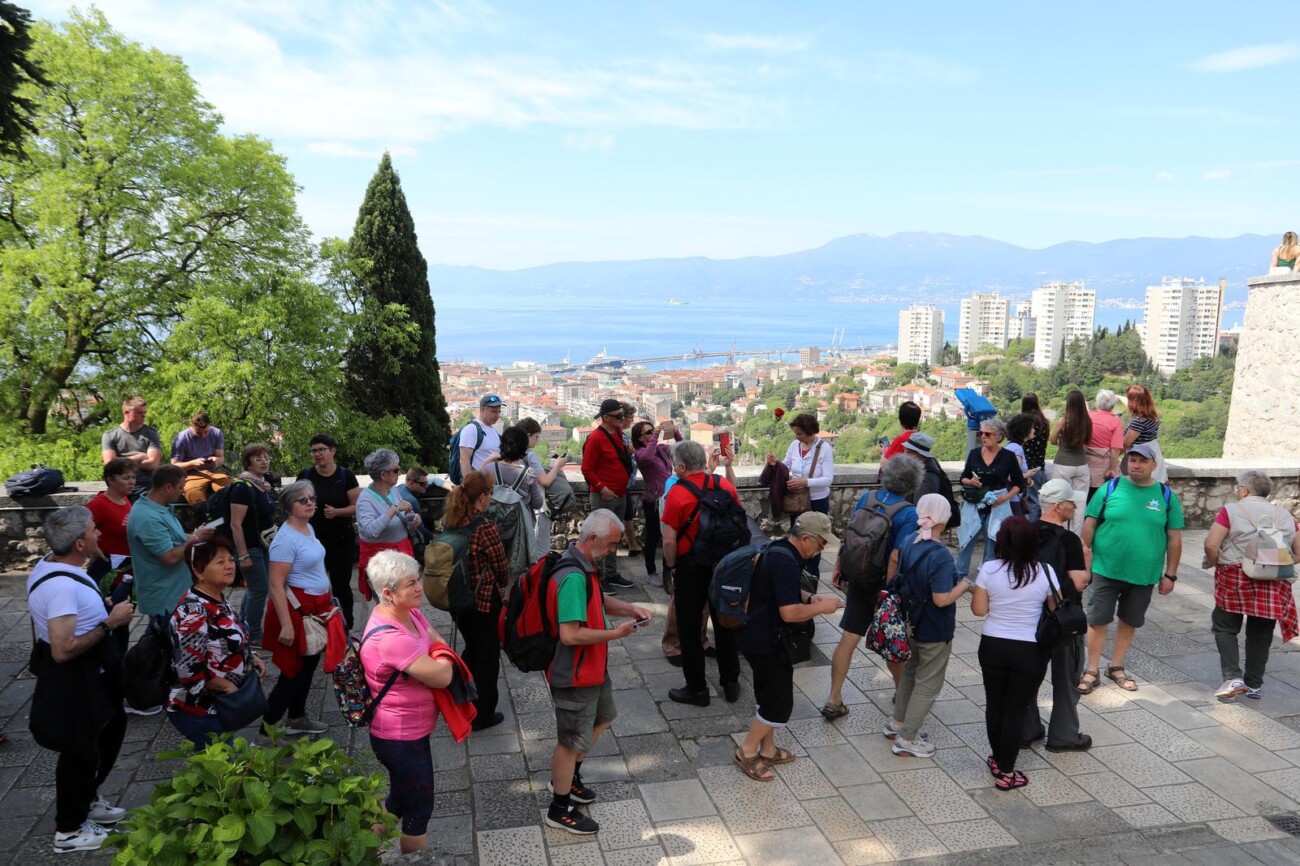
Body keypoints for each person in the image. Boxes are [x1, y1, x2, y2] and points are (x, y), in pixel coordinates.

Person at [28, 507, 135, 853]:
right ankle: (69, 831)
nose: (99, 533)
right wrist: (110, 622)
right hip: (78, 679)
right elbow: (63, 648)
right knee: (81, 752)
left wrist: (98, 605)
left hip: (95, 677)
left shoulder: (54, 564)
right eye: (93, 530)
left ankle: (88, 800)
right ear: (78, 543)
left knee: (110, 730)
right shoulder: (61, 586)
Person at [544, 510, 651, 836]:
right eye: (611, 544)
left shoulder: (581, 563)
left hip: (592, 669)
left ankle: (569, 778)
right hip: (575, 674)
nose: (613, 550)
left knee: (603, 718)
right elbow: (570, 635)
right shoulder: (574, 576)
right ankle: (559, 808)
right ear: (592, 539)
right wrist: (615, 635)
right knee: (569, 741)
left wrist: (629, 608)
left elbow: (596, 599)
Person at [733, 513, 843, 781]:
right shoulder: (785, 561)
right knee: (778, 704)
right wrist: (820, 608)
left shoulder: (780, 548)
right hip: (768, 640)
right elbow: (789, 613)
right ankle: (747, 751)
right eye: (820, 545)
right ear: (806, 538)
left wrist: (811, 596)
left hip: (756, 635)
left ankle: (768, 749)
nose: (820, 551)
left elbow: (783, 591)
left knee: (766, 695)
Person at [362, 550, 456, 854]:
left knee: (399, 799)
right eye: (410, 584)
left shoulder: (408, 612)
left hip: (410, 732)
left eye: (417, 580)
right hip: (399, 737)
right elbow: (442, 675)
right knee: (419, 809)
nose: (419, 588)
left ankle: (359, 847)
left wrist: (440, 655)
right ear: (388, 593)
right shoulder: (391, 638)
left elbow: (437, 641)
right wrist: (444, 659)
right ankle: (414, 859)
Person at [1079, 443, 1184, 694]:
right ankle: (1091, 669)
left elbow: (1174, 538)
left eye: (1142, 461)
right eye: (1132, 460)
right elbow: (1090, 524)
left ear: (1153, 465)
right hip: (1106, 568)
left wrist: (1170, 574)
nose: (1136, 465)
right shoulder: (1111, 487)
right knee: (1097, 620)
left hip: (1143, 572)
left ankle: (1116, 666)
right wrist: (1085, 561)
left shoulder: (1166, 496)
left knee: (1130, 621)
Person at [821, 454, 920, 721]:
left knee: (849, 637)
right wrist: (889, 591)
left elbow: (850, 535)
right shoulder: (908, 513)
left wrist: (840, 565)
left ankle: (834, 698)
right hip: (882, 584)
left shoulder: (868, 498)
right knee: (893, 640)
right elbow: (896, 556)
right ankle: (901, 695)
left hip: (859, 577)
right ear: (912, 483)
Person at [970, 516, 1057, 790]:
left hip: (993, 644)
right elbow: (1055, 610)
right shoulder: (1045, 571)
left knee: (995, 704)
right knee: (1016, 710)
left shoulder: (989, 569)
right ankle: (1007, 772)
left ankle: (997, 759)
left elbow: (979, 610)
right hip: (1029, 649)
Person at [883, 495, 970, 758]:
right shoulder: (941, 554)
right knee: (928, 683)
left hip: (910, 621)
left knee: (910, 672)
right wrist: (965, 585)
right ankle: (907, 738)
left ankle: (897, 722)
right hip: (934, 626)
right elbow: (942, 599)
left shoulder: (909, 541)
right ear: (944, 518)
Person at [1204, 471, 1300, 701]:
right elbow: (1298, 552)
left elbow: (1211, 544)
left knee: (1225, 626)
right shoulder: (1286, 515)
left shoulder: (1231, 510)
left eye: (1238, 487)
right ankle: (1254, 684)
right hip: (1273, 580)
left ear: (1245, 490)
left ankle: (1233, 677)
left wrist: (1218, 562)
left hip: (1236, 575)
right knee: (1261, 632)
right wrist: (1276, 562)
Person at [662, 440, 743, 707]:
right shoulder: (723, 485)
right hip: (725, 565)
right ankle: (730, 681)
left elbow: (670, 540)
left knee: (689, 626)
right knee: (725, 622)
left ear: (682, 467)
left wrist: (672, 566)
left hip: (692, 566)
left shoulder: (677, 493)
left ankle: (697, 688)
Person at [165, 536, 266, 747]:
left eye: (230, 559)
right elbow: (187, 670)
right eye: (220, 562)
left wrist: (250, 657)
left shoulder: (218, 597)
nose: (230, 566)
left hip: (221, 704)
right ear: (198, 571)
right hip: (201, 708)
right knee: (220, 769)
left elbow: (225, 636)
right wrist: (227, 687)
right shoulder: (192, 611)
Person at [263, 480, 341, 736]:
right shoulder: (284, 540)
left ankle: (296, 717)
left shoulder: (307, 528)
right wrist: (286, 624)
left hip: (315, 608)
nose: (310, 503)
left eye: (312, 498)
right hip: (297, 612)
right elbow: (275, 585)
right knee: (292, 672)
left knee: (307, 668)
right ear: (289, 506)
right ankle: (266, 733)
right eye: (303, 500)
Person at [1023, 479, 1093, 752]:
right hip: (1063, 619)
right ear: (1058, 506)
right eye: (1070, 502)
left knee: (1030, 675)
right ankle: (1063, 736)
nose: (1075, 506)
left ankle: (1027, 730)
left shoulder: (1025, 532)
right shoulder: (1069, 539)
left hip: (1029, 615)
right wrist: (1087, 561)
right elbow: (1078, 582)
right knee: (1066, 677)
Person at [437, 471, 510, 730]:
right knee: (487, 658)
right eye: (490, 493)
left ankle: (458, 694)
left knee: (472, 649)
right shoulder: (485, 527)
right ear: (482, 496)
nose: (491, 498)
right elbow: (502, 569)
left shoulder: (452, 521)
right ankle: (483, 715)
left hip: (458, 602)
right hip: (483, 604)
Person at [126, 465, 215, 620]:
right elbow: (169, 557)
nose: (183, 491)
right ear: (168, 487)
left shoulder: (159, 508)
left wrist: (195, 534)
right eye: (181, 487)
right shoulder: (148, 517)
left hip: (175, 595)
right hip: (165, 600)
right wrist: (195, 538)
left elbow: (173, 537)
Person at [297, 433, 361, 633]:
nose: (317, 454)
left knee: (341, 585)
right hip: (312, 539)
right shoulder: (306, 475)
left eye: (322, 450)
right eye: (314, 450)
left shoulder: (345, 475)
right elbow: (294, 504)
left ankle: (345, 626)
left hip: (341, 538)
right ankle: (317, 625)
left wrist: (337, 512)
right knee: (314, 585)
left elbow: (358, 506)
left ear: (333, 451)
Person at [956, 418, 1024, 581]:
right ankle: (958, 575)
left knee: (992, 542)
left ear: (999, 436)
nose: (983, 437)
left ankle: (986, 578)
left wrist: (1005, 497)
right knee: (967, 539)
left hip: (996, 504)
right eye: (981, 433)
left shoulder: (1008, 457)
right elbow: (963, 478)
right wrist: (969, 482)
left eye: (987, 434)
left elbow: (1019, 483)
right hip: (975, 502)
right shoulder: (974, 453)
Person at [767, 412, 834, 576]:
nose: (797, 437)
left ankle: (811, 575)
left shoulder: (824, 449)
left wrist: (805, 482)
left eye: (799, 433)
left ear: (810, 431)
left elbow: (828, 479)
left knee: (814, 540)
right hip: (797, 501)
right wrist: (776, 464)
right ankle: (797, 572)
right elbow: (786, 466)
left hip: (816, 502)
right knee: (797, 539)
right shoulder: (794, 446)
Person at [581, 399, 636, 592]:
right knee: (600, 537)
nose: (623, 418)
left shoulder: (618, 433)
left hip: (620, 493)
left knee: (614, 536)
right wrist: (602, 488)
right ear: (606, 418)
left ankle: (611, 573)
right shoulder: (596, 438)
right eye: (619, 416)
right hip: (604, 495)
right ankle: (600, 575)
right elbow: (587, 468)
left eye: (623, 414)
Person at [357, 449, 421, 604]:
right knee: (391, 604)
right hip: (383, 561)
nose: (399, 473)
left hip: (401, 552)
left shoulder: (393, 490)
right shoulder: (365, 500)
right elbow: (370, 531)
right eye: (396, 470)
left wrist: (413, 518)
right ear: (383, 475)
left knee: (407, 601)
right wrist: (393, 509)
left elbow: (401, 515)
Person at [228, 443, 276, 644]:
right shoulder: (242, 487)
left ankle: (243, 626)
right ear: (248, 463)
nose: (264, 461)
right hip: (249, 546)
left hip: (262, 544)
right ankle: (253, 633)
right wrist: (243, 555)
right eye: (258, 458)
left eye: (266, 457)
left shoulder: (262, 485)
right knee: (260, 589)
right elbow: (235, 524)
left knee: (256, 588)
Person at [632, 418, 681, 586]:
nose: (652, 434)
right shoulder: (640, 454)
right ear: (639, 438)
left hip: (669, 498)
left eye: (653, 430)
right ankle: (651, 572)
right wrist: (657, 435)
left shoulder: (660, 449)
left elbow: (682, 450)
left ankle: (669, 570)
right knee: (653, 537)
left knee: (671, 535)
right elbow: (646, 458)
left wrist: (675, 433)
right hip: (653, 500)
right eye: (648, 432)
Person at [516, 417, 573, 555]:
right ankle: (539, 574)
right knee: (542, 548)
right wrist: (557, 465)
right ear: (528, 435)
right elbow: (545, 481)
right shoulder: (530, 456)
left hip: (520, 504)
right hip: (538, 505)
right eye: (536, 436)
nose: (537, 440)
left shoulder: (514, 454)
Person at [100, 396, 161, 500]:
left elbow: (152, 464)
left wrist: (120, 462)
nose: (143, 416)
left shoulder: (151, 434)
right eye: (139, 413)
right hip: (119, 484)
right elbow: (110, 465)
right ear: (126, 412)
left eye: (144, 413)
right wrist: (140, 456)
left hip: (144, 483)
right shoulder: (110, 435)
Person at [1049, 390, 1092, 535]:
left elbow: (1053, 440)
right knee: (1080, 503)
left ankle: (1061, 534)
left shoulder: (1063, 421)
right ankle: (1075, 536)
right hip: (1081, 465)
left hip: (1063, 463)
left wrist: (1062, 440)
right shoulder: (1087, 422)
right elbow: (1087, 440)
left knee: (1060, 500)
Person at [86, 458, 135, 584]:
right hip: (108, 573)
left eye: (133, 477)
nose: (132, 482)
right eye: (126, 478)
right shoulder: (99, 505)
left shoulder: (125, 500)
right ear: (110, 480)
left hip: (126, 570)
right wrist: (94, 548)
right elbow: (75, 525)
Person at [169, 411, 231, 506]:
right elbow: (174, 467)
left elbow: (221, 457)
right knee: (199, 506)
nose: (203, 435)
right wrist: (193, 463)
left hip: (213, 473)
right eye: (198, 432)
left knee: (234, 492)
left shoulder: (216, 433)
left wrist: (217, 461)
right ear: (191, 425)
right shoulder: (181, 438)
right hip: (191, 476)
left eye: (206, 432)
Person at [1086, 390, 1125, 501]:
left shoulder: (1088, 416)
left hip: (1085, 464)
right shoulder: (1116, 422)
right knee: (1103, 500)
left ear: (1097, 403)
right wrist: (1112, 468)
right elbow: (1115, 448)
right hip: (1104, 467)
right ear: (1113, 405)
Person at [1122, 385, 1166, 484]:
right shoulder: (1152, 416)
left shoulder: (1139, 421)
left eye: (1129, 399)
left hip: (1140, 457)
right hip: (1153, 455)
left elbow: (1125, 444)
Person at [1020, 394, 1052, 523]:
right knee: (1036, 501)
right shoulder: (1043, 422)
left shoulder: (1025, 422)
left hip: (1026, 466)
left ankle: (1030, 531)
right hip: (1039, 466)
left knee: (1029, 501)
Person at [457, 395, 504, 479]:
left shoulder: (493, 430)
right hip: (478, 484)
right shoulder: (471, 429)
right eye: (494, 411)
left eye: (499, 412)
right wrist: (470, 486)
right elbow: (464, 460)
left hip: (490, 484)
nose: (497, 415)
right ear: (482, 410)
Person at [620, 403, 643, 555]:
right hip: (620, 484)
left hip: (625, 483)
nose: (632, 420)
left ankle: (632, 545)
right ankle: (632, 545)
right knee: (625, 516)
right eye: (630, 417)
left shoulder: (621, 435)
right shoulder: (619, 436)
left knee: (628, 515)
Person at [1003, 414, 1035, 517]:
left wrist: (1026, 478)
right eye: (1032, 427)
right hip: (1014, 498)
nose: (1034, 430)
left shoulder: (1009, 445)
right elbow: (1011, 476)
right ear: (1025, 430)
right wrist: (1027, 474)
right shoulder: (1017, 449)